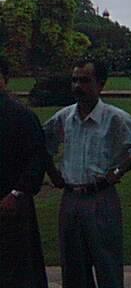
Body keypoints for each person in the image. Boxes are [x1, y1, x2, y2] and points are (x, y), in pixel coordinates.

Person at [43, 59, 131, 288]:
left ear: (101, 84)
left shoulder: (114, 118)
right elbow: (40, 142)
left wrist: (120, 169)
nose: (78, 86)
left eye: (85, 81)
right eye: (74, 80)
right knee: (73, 268)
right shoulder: (65, 117)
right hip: (71, 198)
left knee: (107, 265)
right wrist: (54, 174)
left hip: (101, 198)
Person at [0, 57, 49, 288]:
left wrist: (17, 193)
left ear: (5, 79)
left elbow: (37, 158)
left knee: (17, 270)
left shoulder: (21, 115)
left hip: (11, 204)